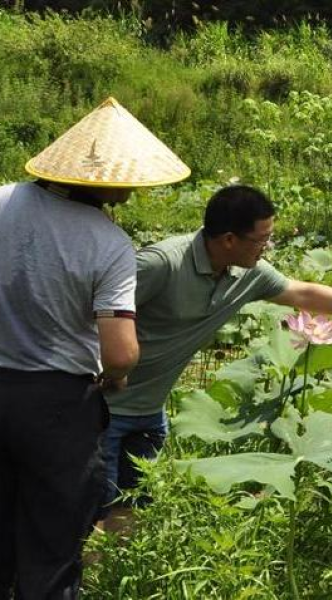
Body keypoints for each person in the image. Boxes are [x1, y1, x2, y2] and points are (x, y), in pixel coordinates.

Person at [102, 184, 332, 518]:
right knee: (91, 511)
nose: (266, 248)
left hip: (149, 412)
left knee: (132, 511)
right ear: (229, 239)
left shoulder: (246, 274)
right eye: (262, 239)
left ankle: (105, 569)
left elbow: (301, 293)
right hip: (101, 411)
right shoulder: (162, 263)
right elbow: (90, 314)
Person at [0, 96, 190, 600]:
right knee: (54, 542)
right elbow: (121, 353)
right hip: (57, 407)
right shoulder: (107, 243)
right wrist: (114, 378)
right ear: (110, 182)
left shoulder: (0, 200)